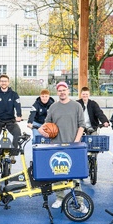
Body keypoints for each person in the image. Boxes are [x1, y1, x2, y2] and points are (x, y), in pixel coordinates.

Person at [38, 81, 86, 210]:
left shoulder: (77, 106)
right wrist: (41, 130)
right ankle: (60, 198)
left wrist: (76, 142)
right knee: (58, 173)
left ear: (68, 91)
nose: (62, 92)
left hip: (72, 144)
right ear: (57, 92)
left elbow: (82, 125)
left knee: (75, 175)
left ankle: (80, 201)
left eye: (64, 90)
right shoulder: (53, 107)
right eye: (59, 90)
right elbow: (46, 124)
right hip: (56, 145)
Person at [0, 74, 23, 150]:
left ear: (8, 82)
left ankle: (13, 152)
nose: (4, 83)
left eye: (5, 81)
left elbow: (17, 105)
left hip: (11, 120)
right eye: (2, 81)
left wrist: (19, 115)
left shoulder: (14, 95)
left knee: (18, 135)